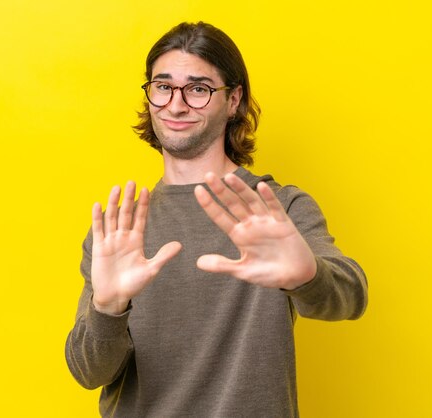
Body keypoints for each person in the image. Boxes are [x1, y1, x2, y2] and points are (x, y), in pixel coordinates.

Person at [65, 21, 368, 417]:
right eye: (163, 86)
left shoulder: (277, 207)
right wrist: (107, 307)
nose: (176, 104)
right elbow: (88, 372)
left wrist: (307, 276)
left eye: (198, 89)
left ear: (233, 100)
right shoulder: (120, 229)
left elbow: (351, 295)